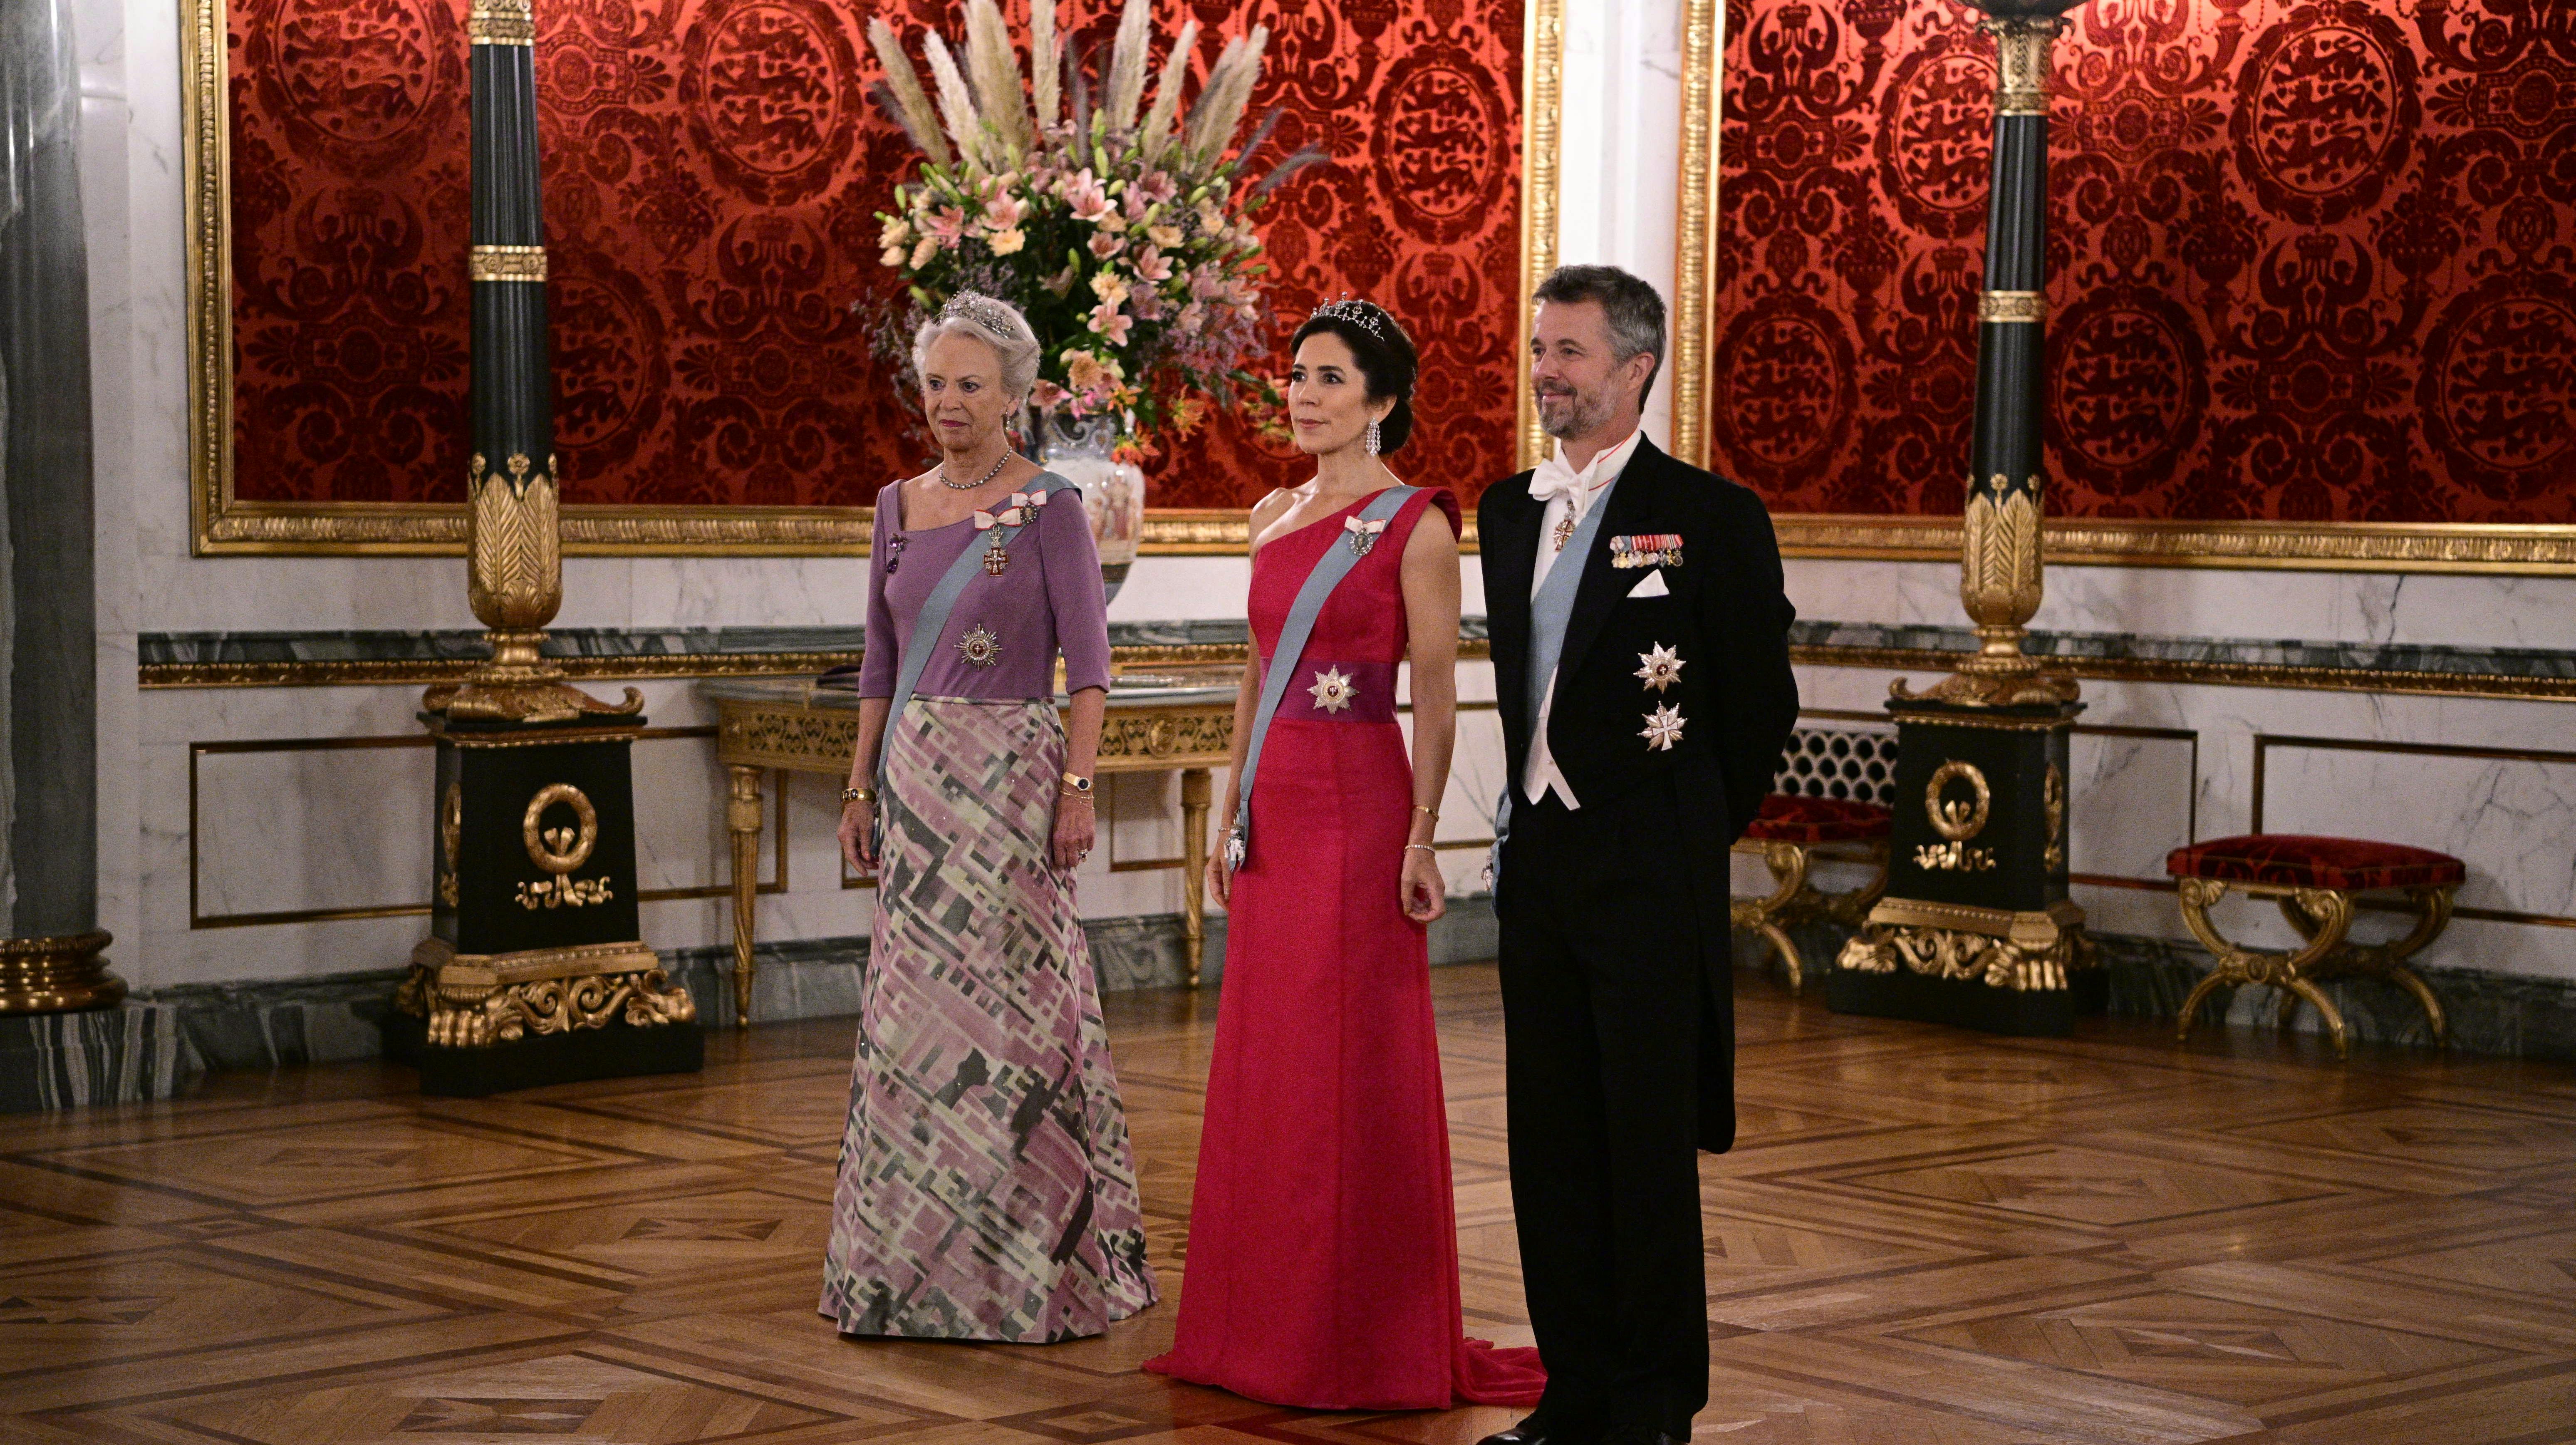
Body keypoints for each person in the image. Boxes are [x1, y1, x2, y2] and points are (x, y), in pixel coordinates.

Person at [1144, 299, 1546, 1410]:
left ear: (1381, 401)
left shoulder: (1416, 524)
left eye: (1329, 378)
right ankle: (1257, 1326)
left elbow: (1434, 691)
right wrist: (1232, 809)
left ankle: (1361, 1337)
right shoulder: (1274, 512)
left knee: (1348, 1066)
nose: (1304, 395)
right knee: (1272, 1064)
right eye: (1297, 374)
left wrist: (1423, 833)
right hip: (1276, 808)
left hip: (1362, 808)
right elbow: (1252, 671)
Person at [1475, 267, 1799, 1445]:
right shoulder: (1508, 509)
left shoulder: (1712, 515)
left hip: (1651, 864)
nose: (1546, 371)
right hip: (1541, 865)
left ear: (1635, 368)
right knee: (1550, 1136)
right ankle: (1576, 1391)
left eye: (1569, 352)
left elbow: (1761, 703)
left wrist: (1685, 826)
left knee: (1643, 1139)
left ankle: (1656, 1402)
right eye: (1540, 349)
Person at [822, 291, 1157, 1342]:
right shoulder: (895, 503)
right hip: (919, 787)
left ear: (1016, 395)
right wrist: (860, 785)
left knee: (1016, 1025)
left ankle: (1034, 1271)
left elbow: (1091, 668)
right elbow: (879, 663)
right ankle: (905, 1272)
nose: (950, 402)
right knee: (914, 1029)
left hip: (1015, 782)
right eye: (936, 383)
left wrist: (1077, 786)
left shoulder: (1052, 508)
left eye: (972, 384)